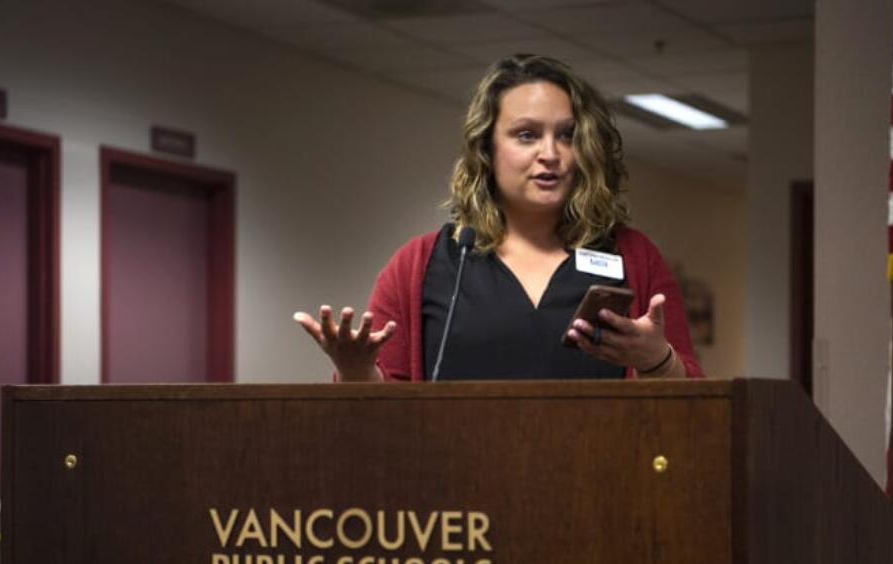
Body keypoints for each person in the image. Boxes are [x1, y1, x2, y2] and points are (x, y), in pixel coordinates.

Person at [294, 54, 704, 381]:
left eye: (567, 135)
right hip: (456, 484)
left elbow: (692, 404)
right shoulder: (422, 265)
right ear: (487, 149)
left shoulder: (632, 256)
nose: (551, 154)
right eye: (527, 135)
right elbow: (387, 413)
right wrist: (355, 370)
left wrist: (657, 360)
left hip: (600, 481)